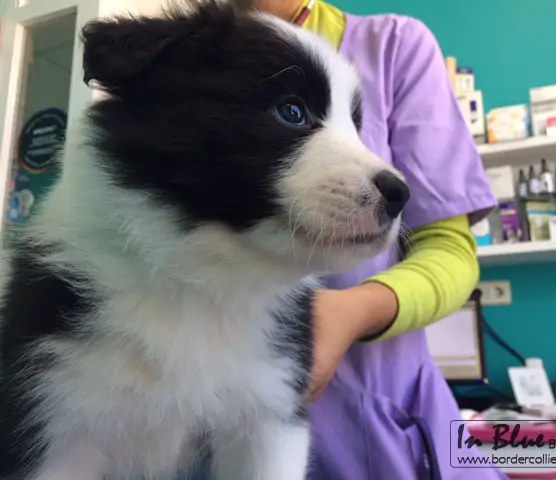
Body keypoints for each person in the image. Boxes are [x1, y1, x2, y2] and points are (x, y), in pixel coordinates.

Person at [186, 1, 505, 479]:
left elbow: (451, 251)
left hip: (372, 432)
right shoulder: (185, 57)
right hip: (200, 419)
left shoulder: (390, 48)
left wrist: (351, 312)